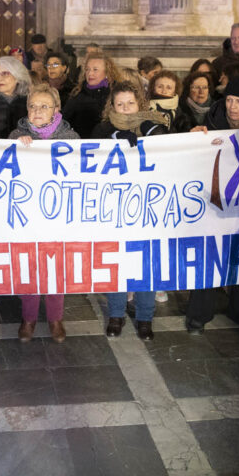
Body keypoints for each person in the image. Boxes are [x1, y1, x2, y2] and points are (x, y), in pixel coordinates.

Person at [187, 76, 239, 336]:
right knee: (209, 257)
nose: (232, 106)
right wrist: (192, 139)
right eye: (229, 100)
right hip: (213, 204)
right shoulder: (210, 125)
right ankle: (198, 315)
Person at [89, 81, 167, 339]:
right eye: (119, 104)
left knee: (146, 264)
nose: (124, 109)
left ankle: (145, 317)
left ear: (139, 104)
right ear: (111, 106)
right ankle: (116, 314)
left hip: (148, 207)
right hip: (115, 207)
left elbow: (174, 149)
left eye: (130, 104)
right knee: (118, 263)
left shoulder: (153, 126)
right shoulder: (101, 130)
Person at [9, 84, 79, 343]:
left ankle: (55, 318)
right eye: (33, 106)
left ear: (55, 110)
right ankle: (28, 318)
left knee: (55, 266)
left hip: (58, 214)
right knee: (28, 265)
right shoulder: (16, 134)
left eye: (44, 106)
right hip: (27, 214)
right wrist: (17, 147)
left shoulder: (71, 139)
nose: (37, 111)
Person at [62, 52, 118, 138]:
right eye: (87, 69)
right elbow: (63, 121)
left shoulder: (117, 93)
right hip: (83, 147)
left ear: (107, 72)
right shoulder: (77, 95)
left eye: (95, 69)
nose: (90, 74)